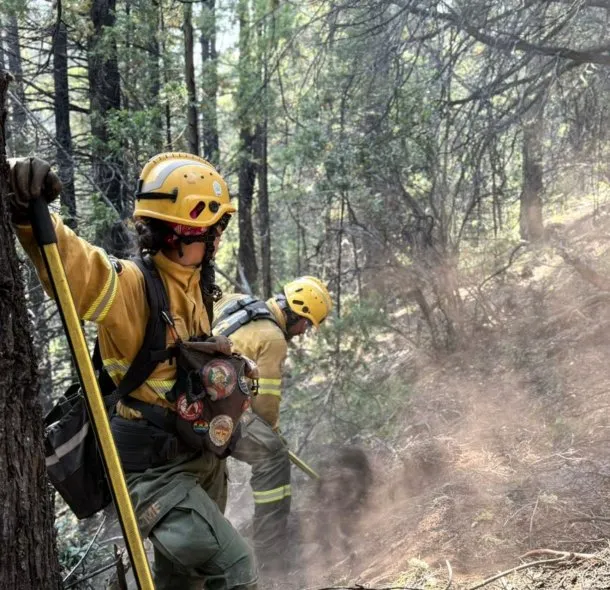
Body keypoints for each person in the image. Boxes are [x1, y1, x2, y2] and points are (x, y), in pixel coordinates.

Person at [8, 152, 258, 590]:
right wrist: (27, 210)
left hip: (199, 459)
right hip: (157, 473)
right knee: (235, 568)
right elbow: (76, 266)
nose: (218, 240)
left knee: (184, 583)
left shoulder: (194, 281)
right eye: (213, 230)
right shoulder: (131, 287)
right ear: (182, 233)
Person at [212, 277, 332, 573]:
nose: (303, 332)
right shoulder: (274, 338)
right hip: (215, 409)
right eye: (306, 324)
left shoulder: (237, 302)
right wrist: (273, 436)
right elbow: (265, 404)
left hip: (196, 393)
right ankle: (272, 553)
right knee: (273, 456)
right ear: (295, 313)